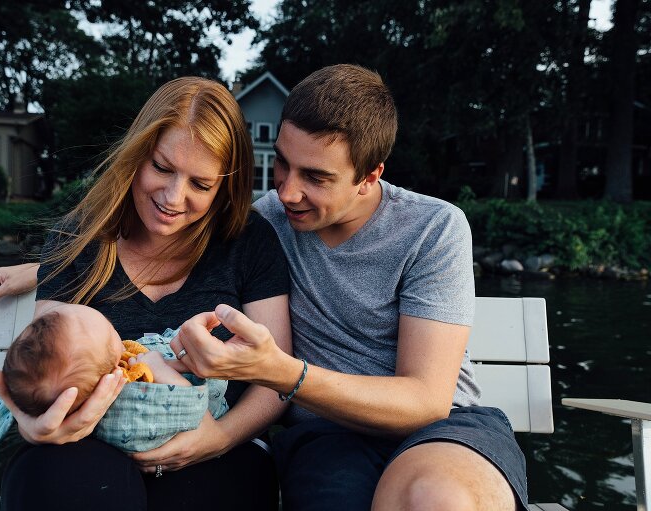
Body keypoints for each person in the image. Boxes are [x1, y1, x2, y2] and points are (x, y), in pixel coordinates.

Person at [166, 64, 528, 511]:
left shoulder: (432, 228)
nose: (288, 192)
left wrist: (284, 372)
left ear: (370, 176)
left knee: (436, 499)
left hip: (444, 429)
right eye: (282, 162)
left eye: (316, 177)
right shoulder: (265, 223)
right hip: (326, 436)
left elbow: (427, 400)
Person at [0, 76, 292, 511]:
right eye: (162, 167)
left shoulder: (249, 242)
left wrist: (216, 440)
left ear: (222, 188)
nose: (173, 197)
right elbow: (46, 367)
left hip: (219, 445)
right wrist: (39, 426)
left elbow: (275, 381)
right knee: (59, 483)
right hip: (87, 440)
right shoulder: (78, 238)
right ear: (138, 154)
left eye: (200, 184)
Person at [0, 303, 228, 472]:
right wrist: (160, 369)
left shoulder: (87, 381)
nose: (121, 339)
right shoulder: (127, 400)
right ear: (111, 372)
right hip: (184, 434)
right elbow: (192, 407)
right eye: (113, 337)